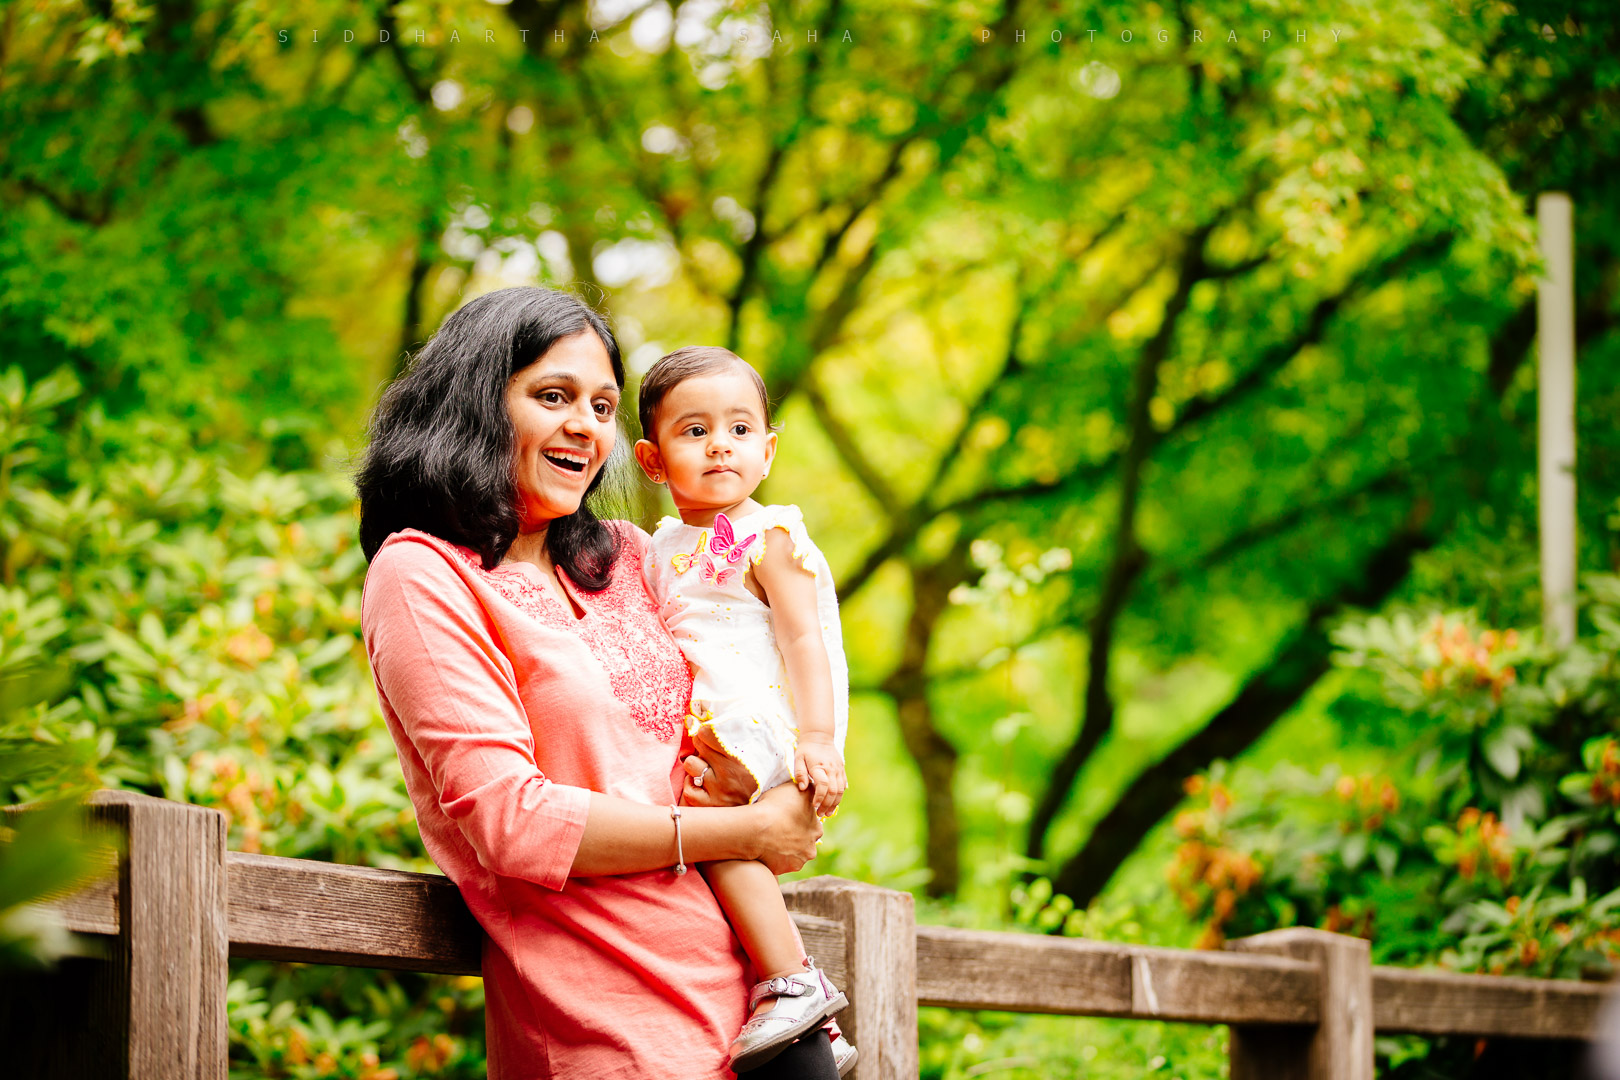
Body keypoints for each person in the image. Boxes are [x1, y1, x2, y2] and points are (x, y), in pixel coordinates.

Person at [355, 286, 845, 1080]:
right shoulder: (422, 574)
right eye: (554, 396)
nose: (586, 425)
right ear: (477, 402)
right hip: (611, 1030)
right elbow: (512, 823)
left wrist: (798, 776)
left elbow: (755, 668)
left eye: (604, 405)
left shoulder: (626, 556)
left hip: (767, 1021)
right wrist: (745, 833)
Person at [634, 347, 853, 1073]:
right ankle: (800, 1001)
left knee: (713, 832)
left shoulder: (770, 535)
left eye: (739, 428)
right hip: (706, 720)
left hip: (755, 721)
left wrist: (819, 738)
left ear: (768, 450)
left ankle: (793, 980)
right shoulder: (659, 545)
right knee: (719, 843)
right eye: (694, 432)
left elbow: (805, 635)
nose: (719, 443)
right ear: (653, 460)